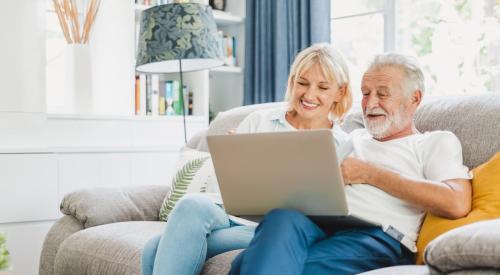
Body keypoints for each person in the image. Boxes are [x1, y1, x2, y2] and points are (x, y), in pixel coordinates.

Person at [229, 53, 473, 275]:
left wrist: (371, 174)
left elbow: (456, 202)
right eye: (366, 93)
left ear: (414, 98)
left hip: (378, 237)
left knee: (248, 265)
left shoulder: (433, 142)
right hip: (322, 224)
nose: (370, 102)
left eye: (382, 93)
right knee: (281, 217)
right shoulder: (350, 138)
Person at [141, 43, 354, 275]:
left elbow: (337, 209)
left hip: (278, 229)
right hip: (231, 214)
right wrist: (232, 162)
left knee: (154, 248)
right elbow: (221, 189)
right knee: (190, 204)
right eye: (302, 83)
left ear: (339, 92)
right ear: (292, 82)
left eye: (322, 87)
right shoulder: (259, 120)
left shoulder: (341, 145)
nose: (309, 94)